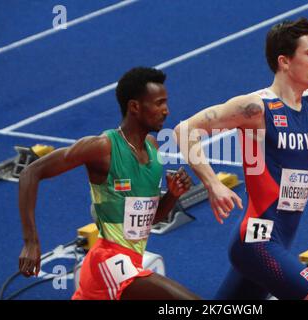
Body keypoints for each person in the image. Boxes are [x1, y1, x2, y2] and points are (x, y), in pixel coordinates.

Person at [174, 18, 308, 300]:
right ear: (285, 62)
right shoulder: (255, 107)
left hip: (281, 239)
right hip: (257, 242)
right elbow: (185, 130)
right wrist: (212, 184)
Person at [18, 67, 200, 300]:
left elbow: (150, 220)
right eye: (159, 103)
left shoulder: (153, 149)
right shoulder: (102, 147)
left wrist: (172, 195)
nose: (166, 110)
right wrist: (30, 241)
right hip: (109, 262)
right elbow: (31, 172)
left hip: (127, 263)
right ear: (134, 107)